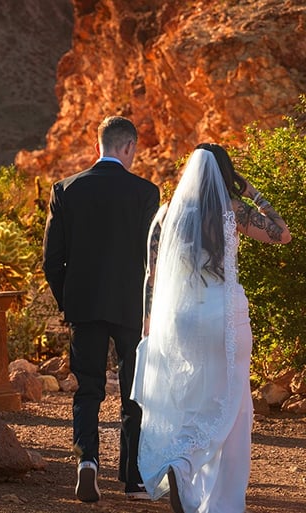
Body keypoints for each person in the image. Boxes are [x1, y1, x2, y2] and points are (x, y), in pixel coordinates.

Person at [132, 143, 291, 513]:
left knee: (195, 398)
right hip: (225, 314)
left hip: (182, 318)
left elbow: (151, 277)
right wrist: (252, 191)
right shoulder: (234, 211)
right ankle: (212, 491)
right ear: (226, 174)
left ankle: (184, 467)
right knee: (234, 404)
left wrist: (148, 325)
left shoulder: (166, 215)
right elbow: (282, 234)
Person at [43, 115, 160, 502]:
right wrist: (149, 307)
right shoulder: (146, 192)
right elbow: (153, 259)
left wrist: (70, 301)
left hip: (84, 306)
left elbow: (51, 260)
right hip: (130, 307)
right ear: (128, 147)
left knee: (87, 391)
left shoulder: (65, 189)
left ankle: (87, 462)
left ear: (100, 146)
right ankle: (133, 480)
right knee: (133, 392)